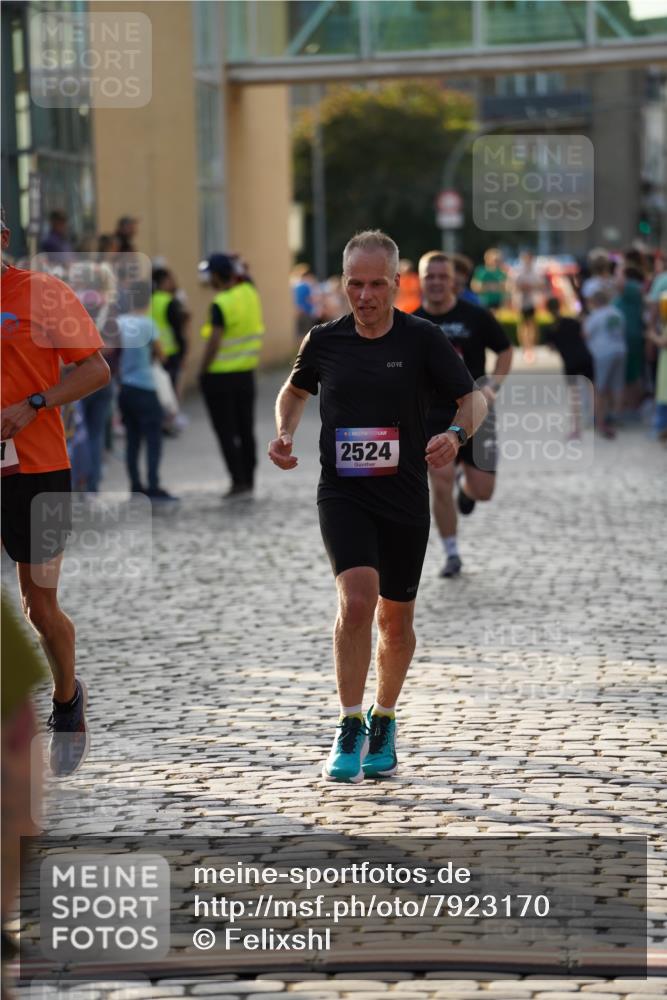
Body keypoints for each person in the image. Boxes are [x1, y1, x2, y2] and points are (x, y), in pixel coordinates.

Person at [268, 230, 486, 783]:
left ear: (395, 284)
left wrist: (457, 435)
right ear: (343, 283)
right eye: (355, 284)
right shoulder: (324, 340)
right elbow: (294, 391)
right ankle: (347, 722)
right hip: (342, 491)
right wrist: (284, 432)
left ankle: (383, 716)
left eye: (376, 285)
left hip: (405, 495)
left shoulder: (423, 339)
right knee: (357, 600)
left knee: (396, 616)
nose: (365, 296)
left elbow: (473, 397)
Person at [0, 208, 110, 776]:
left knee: (37, 604)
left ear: (3, 237)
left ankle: (67, 699)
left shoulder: (40, 293)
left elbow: (93, 371)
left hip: (37, 470)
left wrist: (33, 404)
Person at [413, 251, 512, 578]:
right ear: (421, 279)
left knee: (483, 491)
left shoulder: (475, 316)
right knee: (439, 485)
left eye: (443, 277)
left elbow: (505, 351)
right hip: (434, 415)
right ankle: (451, 553)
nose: (437, 282)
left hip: (476, 410)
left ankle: (465, 485)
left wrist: (492, 387)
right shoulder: (410, 323)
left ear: (454, 280)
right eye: (431, 276)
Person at [200, 253, 265, 498]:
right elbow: (248, 278)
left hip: (219, 377)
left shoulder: (221, 303)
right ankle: (249, 478)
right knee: (246, 428)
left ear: (216, 276)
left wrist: (202, 370)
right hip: (246, 375)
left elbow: (214, 341)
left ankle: (237, 481)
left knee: (226, 432)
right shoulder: (250, 292)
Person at [117, 281, 178, 502]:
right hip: (146, 387)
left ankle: (135, 485)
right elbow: (161, 355)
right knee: (153, 439)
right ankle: (153, 485)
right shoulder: (147, 324)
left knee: (132, 440)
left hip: (125, 389)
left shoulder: (118, 324)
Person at [543, 297, 594, 439]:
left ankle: (576, 429)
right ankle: (598, 420)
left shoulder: (551, 328)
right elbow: (584, 335)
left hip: (570, 362)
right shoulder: (572, 321)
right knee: (593, 390)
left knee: (574, 396)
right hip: (584, 357)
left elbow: (551, 347)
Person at [582, 289, 627, 439]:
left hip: (602, 353)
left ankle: (599, 420)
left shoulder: (596, 315)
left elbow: (586, 334)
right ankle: (617, 417)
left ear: (595, 302)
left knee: (599, 388)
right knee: (617, 386)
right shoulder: (617, 313)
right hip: (620, 349)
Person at [151, 267, 189, 395]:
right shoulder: (169, 301)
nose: (174, 282)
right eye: (171, 279)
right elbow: (177, 329)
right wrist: (183, 352)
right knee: (171, 392)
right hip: (171, 353)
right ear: (164, 281)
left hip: (153, 353)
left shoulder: (149, 301)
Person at [511, 251, 545, 364]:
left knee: (532, 325)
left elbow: (541, 284)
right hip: (521, 302)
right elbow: (512, 285)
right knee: (522, 325)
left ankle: (531, 348)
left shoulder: (536, 271)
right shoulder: (517, 271)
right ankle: (525, 347)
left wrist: (531, 286)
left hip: (532, 302)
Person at [471, 248, 507, 312]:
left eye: (499, 260)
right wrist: (493, 287)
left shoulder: (501, 272)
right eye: (495, 260)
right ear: (487, 259)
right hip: (483, 303)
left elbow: (506, 287)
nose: (497, 262)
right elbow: (475, 287)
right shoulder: (481, 271)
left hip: (498, 303)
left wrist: (489, 286)